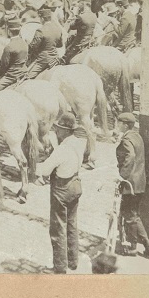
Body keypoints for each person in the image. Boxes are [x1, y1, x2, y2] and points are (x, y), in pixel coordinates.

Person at [36, 112, 85, 274]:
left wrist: (36, 165)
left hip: (61, 190)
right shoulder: (79, 143)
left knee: (58, 228)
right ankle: (73, 261)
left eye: (58, 129)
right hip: (76, 185)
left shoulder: (61, 150)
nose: (56, 132)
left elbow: (45, 169)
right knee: (72, 224)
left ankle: (59, 267)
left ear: (64, 131)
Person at [114, 112, 149, 259]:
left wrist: (121, 175)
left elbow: (130, 156)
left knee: (130, 216)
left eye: (118, 123)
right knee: (134, 216)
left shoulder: (127, 139)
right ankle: (147, 247)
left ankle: (133, 248)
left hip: (130, 184)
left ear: (125, 124)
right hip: (139, 182)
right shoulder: (137, 136)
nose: (117, 125)